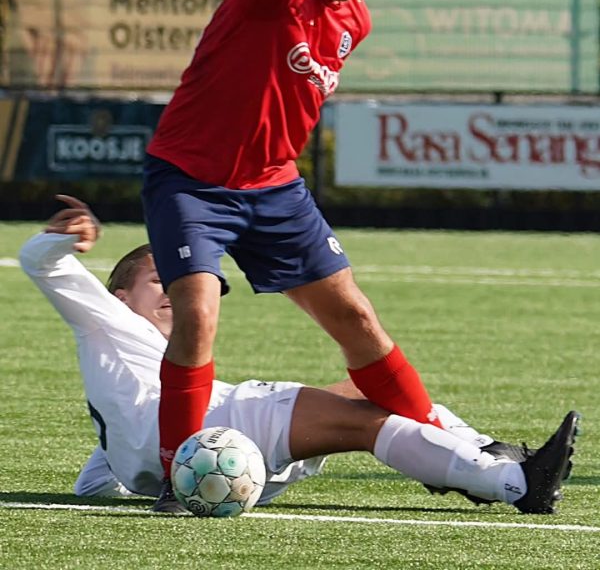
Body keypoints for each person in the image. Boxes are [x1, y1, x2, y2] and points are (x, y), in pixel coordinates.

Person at [142, 0, 461, 508]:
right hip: (192, 181)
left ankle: (439, 446)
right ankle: (179, 472)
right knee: (198, 315)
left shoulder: (355, 21)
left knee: (359, 320)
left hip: (274, 189)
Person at [20, 195, 579, 516]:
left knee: (366, 399)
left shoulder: (127, 367)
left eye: (193, 282)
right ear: (119, 295)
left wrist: (108, 485)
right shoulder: (107, 318)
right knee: (370, 419)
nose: (182, 290)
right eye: (160, 277)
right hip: (217, 429)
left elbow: (103, 471)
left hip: (192, 452)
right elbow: (38, 262)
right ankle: (516, 482)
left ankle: (484, 453)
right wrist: (66, 238)